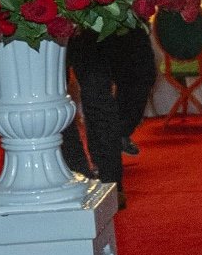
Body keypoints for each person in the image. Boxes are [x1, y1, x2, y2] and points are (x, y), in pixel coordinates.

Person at [59, 28, 157, 197]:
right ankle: (94, 179)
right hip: (76, 28)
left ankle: (116, 138)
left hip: (120, 21)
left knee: (142, 76)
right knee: (91, 96)